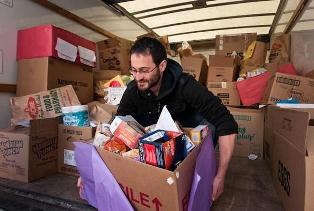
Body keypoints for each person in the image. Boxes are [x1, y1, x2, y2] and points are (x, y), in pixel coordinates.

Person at [78, 37, 238, 202]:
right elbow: (114, 128)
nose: (138, 77)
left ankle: (201, 174)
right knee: (121, 123)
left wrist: (220, 175)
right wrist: (90, 169)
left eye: (145, 70)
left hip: (187, 145)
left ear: (162, 66)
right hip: (151, 145)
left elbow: (226, 122)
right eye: (133, 70)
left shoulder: (186, 85)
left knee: (210, 126)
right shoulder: (133, 90)